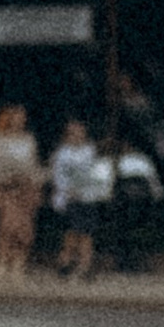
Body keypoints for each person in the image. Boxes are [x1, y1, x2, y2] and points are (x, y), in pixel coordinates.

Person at [0, 105, 43, 278]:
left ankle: (19, 261)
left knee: (24, 227)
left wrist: (36, 187)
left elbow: (33, 164)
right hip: (7, 187)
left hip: (26, 187)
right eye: (16, 117)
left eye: (22, 117)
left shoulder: (29, 140)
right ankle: (1, 259)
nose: (19, 120)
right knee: (7, 225)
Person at [50, 116, 101, 278]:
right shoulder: (62, 153)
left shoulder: (91, 151)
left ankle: (85, 264)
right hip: (69, 197)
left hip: (88, 196)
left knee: (87, 232)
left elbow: (96, 172)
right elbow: (58, 175)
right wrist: (67, 190)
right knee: (72, 231)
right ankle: (65, 261)